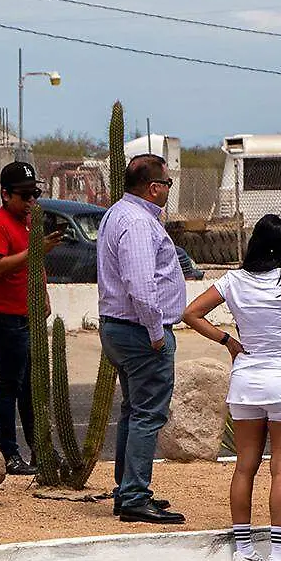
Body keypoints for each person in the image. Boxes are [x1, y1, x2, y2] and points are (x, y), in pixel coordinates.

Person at [182, 214, 281, 561]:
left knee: (245, 466)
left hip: (245, 384)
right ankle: (279, 555)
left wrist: (228, 341)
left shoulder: (234, 281)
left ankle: (243, 552)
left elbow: (191, 313)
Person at [97, 154, 186, 524]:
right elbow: (140, 284)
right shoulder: (136, 222)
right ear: (153, 188)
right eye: (166, 183)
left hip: (120, 326)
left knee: (134, 411)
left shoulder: (118, 213)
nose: (168, 189)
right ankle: (134, 495)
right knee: (148, 413)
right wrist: (155, 333)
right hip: (139, 330)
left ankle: (128, 488)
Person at [0, 161, 63, 476]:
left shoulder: (28, 222)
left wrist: (43, 295)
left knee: (32, 387)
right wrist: (36, 250)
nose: (31, 201)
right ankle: (9, 453)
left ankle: (40, 451)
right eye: (25, 195)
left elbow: (33, 265)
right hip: (7, 318)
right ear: (5, 194)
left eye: (34, 194)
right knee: (10, 385)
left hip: (29, 316)